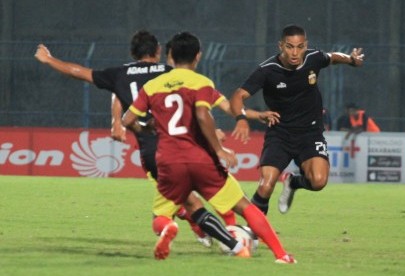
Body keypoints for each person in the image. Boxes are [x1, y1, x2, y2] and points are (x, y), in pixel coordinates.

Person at [33, 30, 246, 249]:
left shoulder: (120, 75)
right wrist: (210, 131)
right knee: (209, 191)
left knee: (188, 201)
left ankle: (214, 235)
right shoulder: (168, 72)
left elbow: (79, 72)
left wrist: (49, 59)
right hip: (183, 144)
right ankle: (232, 238)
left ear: (132, 53)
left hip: (152, 152)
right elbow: (189, 103)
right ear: (159, 51)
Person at [122, 31, 296, 263]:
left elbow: (127, 121)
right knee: (244, 206)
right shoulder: (201, 83)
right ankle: (281, 255)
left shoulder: (153, 86)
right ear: (198, 56)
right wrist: (221, 148)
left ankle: (167, 228)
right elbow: (217, 110)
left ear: (170, 56)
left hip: (168, 162)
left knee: (160, 216)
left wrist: (148, 129)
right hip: (200, 159)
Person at [229, 24, 364, 215]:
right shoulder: (268, 70)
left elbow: (332, 57)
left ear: (305, 46)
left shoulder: (313, 58)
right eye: (289, 46)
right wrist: (241, 118)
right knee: (265, 186)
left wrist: (351, 60)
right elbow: (237, 96)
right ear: (280, 46)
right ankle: (253, 233)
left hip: (310, 133)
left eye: (300, 46)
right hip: (279, 134)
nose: (295, 52)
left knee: (318, 181)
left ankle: (293, 181)